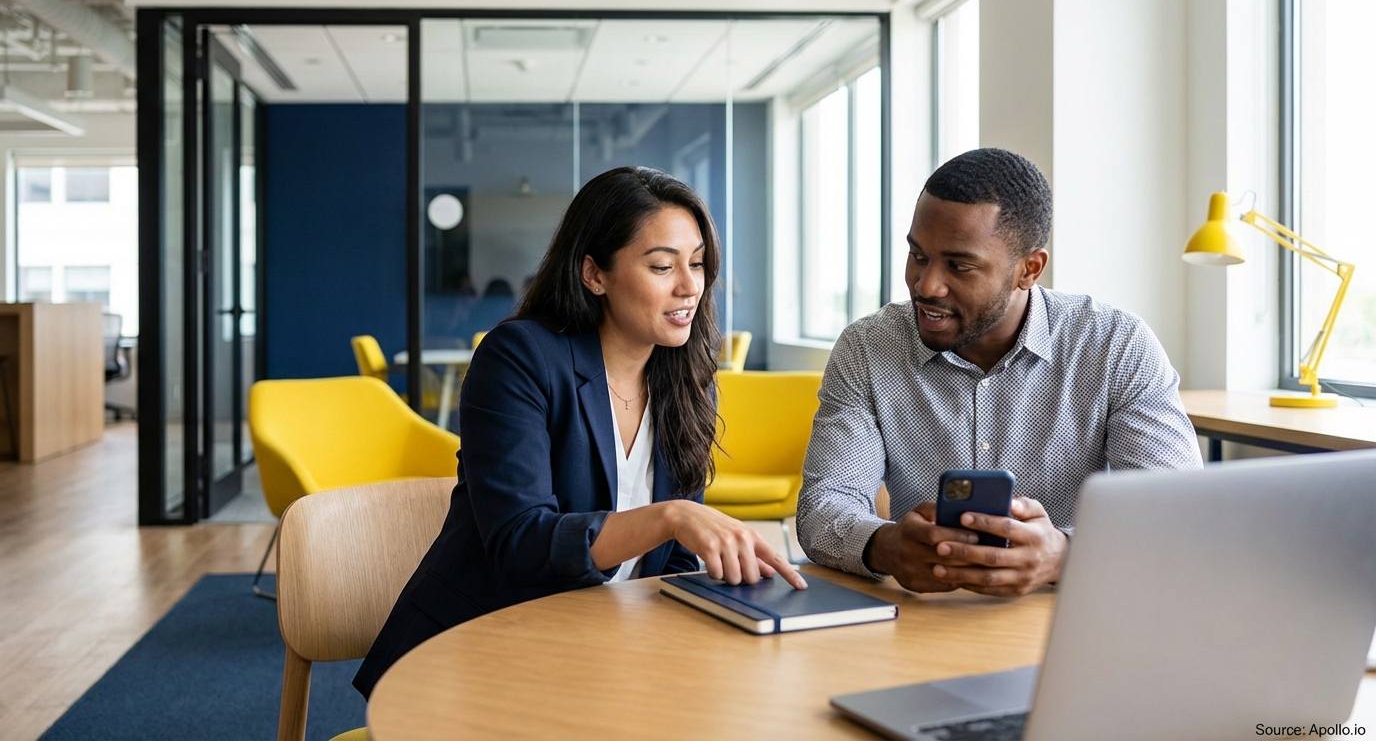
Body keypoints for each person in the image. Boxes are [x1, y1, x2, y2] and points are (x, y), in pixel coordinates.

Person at [354, 166, 806, 699]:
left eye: (698, 263)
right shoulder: (519, 357)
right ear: (595, 274)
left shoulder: (688, 380)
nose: (690, 286)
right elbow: (521, 542)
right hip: (481, 651)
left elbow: (674, 562)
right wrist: (671, 517)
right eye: (662, 266)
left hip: (606, 655)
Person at [795, 148, 1201, 598]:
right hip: (923, 620)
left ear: (1028, 270)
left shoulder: (1115, 346)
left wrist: (1064, 555)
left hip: (1075, 617)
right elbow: (822, 509)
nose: (926, 285)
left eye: (959, 265)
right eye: (917, 255)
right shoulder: (868, 348)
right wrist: (884, 545)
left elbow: (1175, 517)